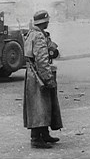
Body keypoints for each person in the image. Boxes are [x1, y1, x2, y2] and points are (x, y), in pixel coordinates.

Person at [23, 10, 63, 149]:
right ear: (44, 22)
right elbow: (42, 61)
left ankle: (44, 134)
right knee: (38, 107)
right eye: (47, 21)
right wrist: (48, 79)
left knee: (43, 105)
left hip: (33, 74)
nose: (48, 22)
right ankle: (36, 139)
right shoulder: (39, 36)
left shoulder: (32, 33)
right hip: (38, 75)